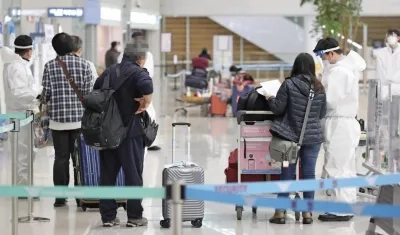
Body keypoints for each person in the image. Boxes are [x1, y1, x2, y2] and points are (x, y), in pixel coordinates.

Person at [96, 39, 152, 227]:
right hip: (130, 132)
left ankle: (108, 216)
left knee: (107, 175)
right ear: (140, 58)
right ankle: (135, 217)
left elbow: (96, 90)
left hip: (108, 132)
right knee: (133, 174)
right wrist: (146, 102)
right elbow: (147, 86)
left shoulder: (110, 71)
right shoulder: (138, 72)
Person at [266, 53, 326, 225]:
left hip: (289, 138)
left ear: (296, 66)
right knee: (309, 174)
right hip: (313, 139)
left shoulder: (289, 84)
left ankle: (280, 212)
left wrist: (270, 98)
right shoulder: (319, 87)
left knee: (287, 173)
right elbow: (321, 114)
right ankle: (308, 213)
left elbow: (277, 109)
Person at [313, 37, 366, 222]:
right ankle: (345, 206)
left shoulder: (339, 72)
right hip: (344, 123)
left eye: (323, 56)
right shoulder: (343, 70)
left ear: (331, 53)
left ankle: (342, 210)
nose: (322, 60)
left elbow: (330, 101)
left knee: (338, 167)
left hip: (340, 125)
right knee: (346, 168)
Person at [42, 32, 94, 207]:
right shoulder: (85, 65)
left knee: (61, 157)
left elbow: (46, 95)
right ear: (73, 46)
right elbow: (89, 94)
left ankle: (60, 198)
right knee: (79, 158)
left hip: (58, 121)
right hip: (80, 120)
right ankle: (81, 197)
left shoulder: (50, 66)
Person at [0, 35, 42, 188]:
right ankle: (23, 188)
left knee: (25, 151)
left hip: (21, 113)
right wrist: (37, 94)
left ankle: (24, 185)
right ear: (29, 51)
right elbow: (18, 93)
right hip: (20, 114)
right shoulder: (16, 67)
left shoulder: (15, 64)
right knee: (23, 153)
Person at [118, 32, 161, 151]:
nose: (138, 41)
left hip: (143, 85)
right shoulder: (125, 53)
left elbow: (150, 72)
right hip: (133, 85)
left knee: (149, 113)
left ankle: (150, 139)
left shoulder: (148, 54)